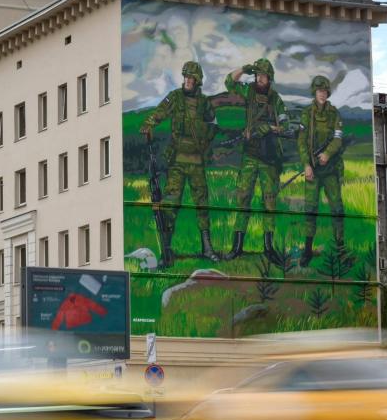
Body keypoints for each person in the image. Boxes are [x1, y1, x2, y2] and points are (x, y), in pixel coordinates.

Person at [140, 61, 219, 264]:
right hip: (177, 161)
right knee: (170, 205)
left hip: (197, 162)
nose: (187, 81)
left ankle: (207, 248)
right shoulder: (175, 97)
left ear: (197, 80)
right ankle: (166, 251)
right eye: (185, 77)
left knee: (202, 204)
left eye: (191, 78)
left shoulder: (204, 103)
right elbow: (159, 113)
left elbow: (213, 124)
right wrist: (149, 124)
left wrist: (205, 141)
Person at [223, 58, 288, 264]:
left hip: (268, 157)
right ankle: (237, 247)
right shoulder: (249, 92)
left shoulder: (276, 99)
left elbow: (285, 125)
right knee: (243, 199)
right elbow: (229, 83)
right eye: (258, 74)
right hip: (250, 155)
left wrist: (268, 128)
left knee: (269, 202)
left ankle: (268, 248)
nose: (261, 78)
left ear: (270, 78)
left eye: (264, 75)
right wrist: (243, 68)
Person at [297, 75, 345, 267]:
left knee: (337, 209)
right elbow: (301, 141)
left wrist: (327, 153)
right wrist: (306, 165)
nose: (322, 94)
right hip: (313, 171)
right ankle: (307, 250)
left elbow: (338, 138)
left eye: (325, 91)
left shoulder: (334, 114)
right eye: (319, 91)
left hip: (330, 169)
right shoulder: (306, 113)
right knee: (310, 210)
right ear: (314, 92)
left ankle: (340, 250)